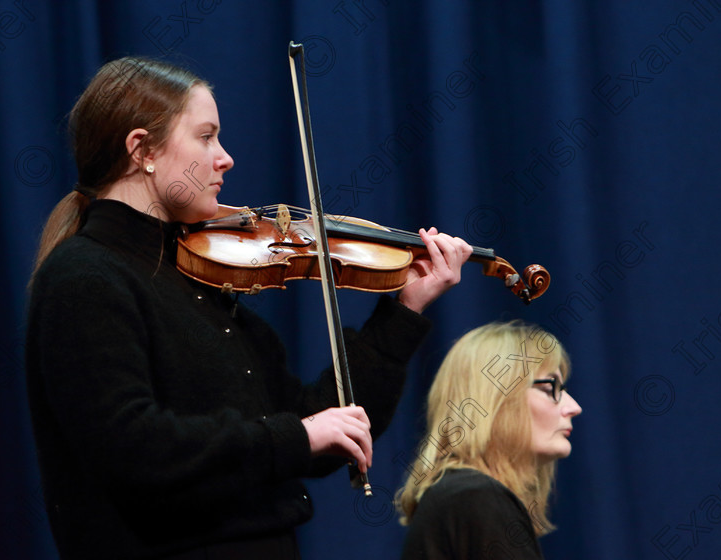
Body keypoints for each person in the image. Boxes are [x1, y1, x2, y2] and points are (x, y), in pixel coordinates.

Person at [25, 57, 472, 560]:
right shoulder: (85, 278)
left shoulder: (196, 278)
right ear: (142, 150)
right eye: (206, 136)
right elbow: (134, 449)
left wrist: (404, 309)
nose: (226, 158)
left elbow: (312, 421)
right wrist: (296, 436)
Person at [396, 321, 582, 559]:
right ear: (495, 401)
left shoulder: (462, 494)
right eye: (550, 387)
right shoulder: (477, 497)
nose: (574, 407)